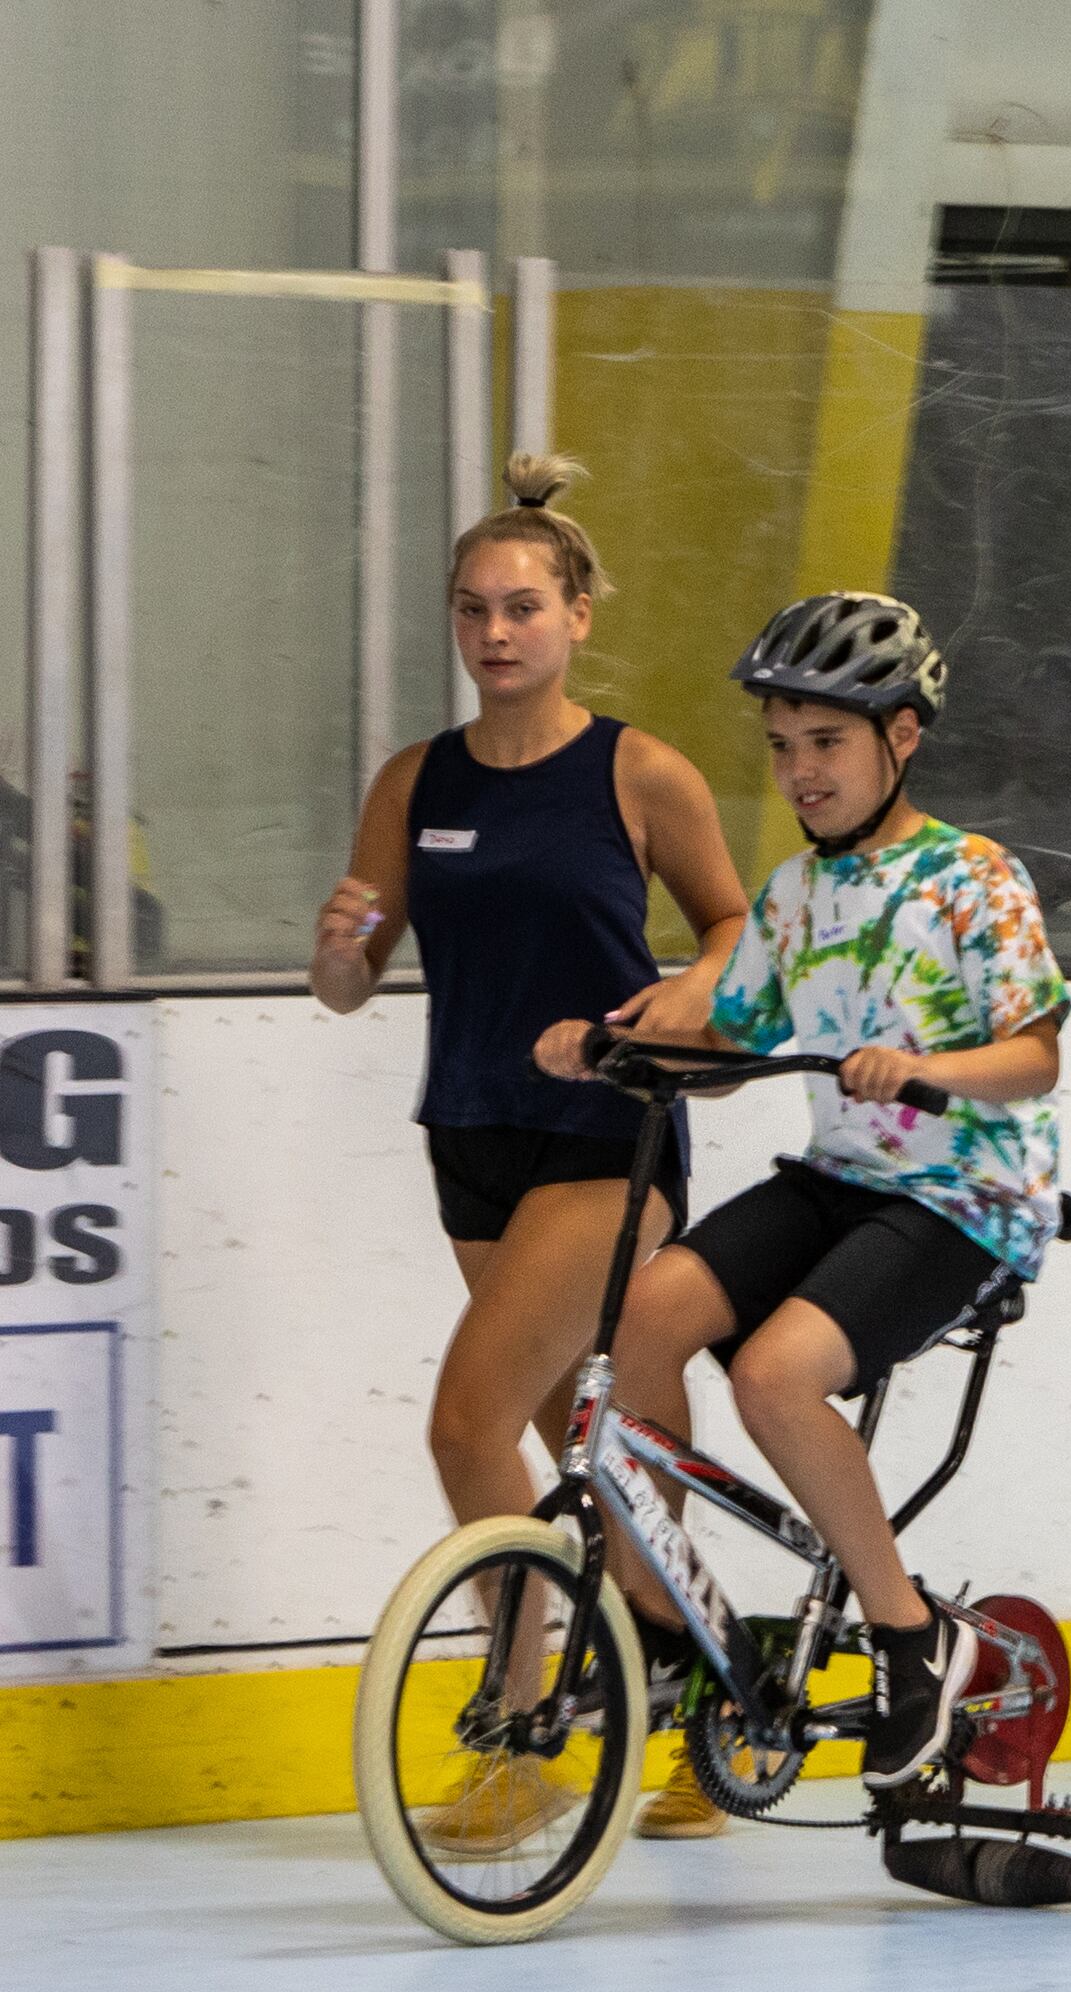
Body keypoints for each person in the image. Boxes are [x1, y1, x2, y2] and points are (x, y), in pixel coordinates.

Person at [542, 592, 1071, 1797]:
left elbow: (1037, 1056)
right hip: (840, 1179)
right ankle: (677, 1627)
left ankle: (911, 1638)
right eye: (781, 747)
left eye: (824, 743)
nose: (798, 771)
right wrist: (616, 1049)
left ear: (901, 737)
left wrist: (927, 1069)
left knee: (777, 1373)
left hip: (964, 1198)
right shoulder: (791, 894)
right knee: (636, 1329)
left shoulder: (972, 879)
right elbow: (730, 1056)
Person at [310, 453, 748, 1854]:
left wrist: (685, 995)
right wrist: (333, 952)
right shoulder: (413, 781)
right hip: (476, 1139)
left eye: (522, 607)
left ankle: (525, 1723)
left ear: (577, 618)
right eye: (471, 610)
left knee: (465, 1422)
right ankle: (703, 1698)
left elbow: (735, 926)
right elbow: (353, 979)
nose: (495, 633)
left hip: (605, 1137)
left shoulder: (640, 770)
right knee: (593, 1443)